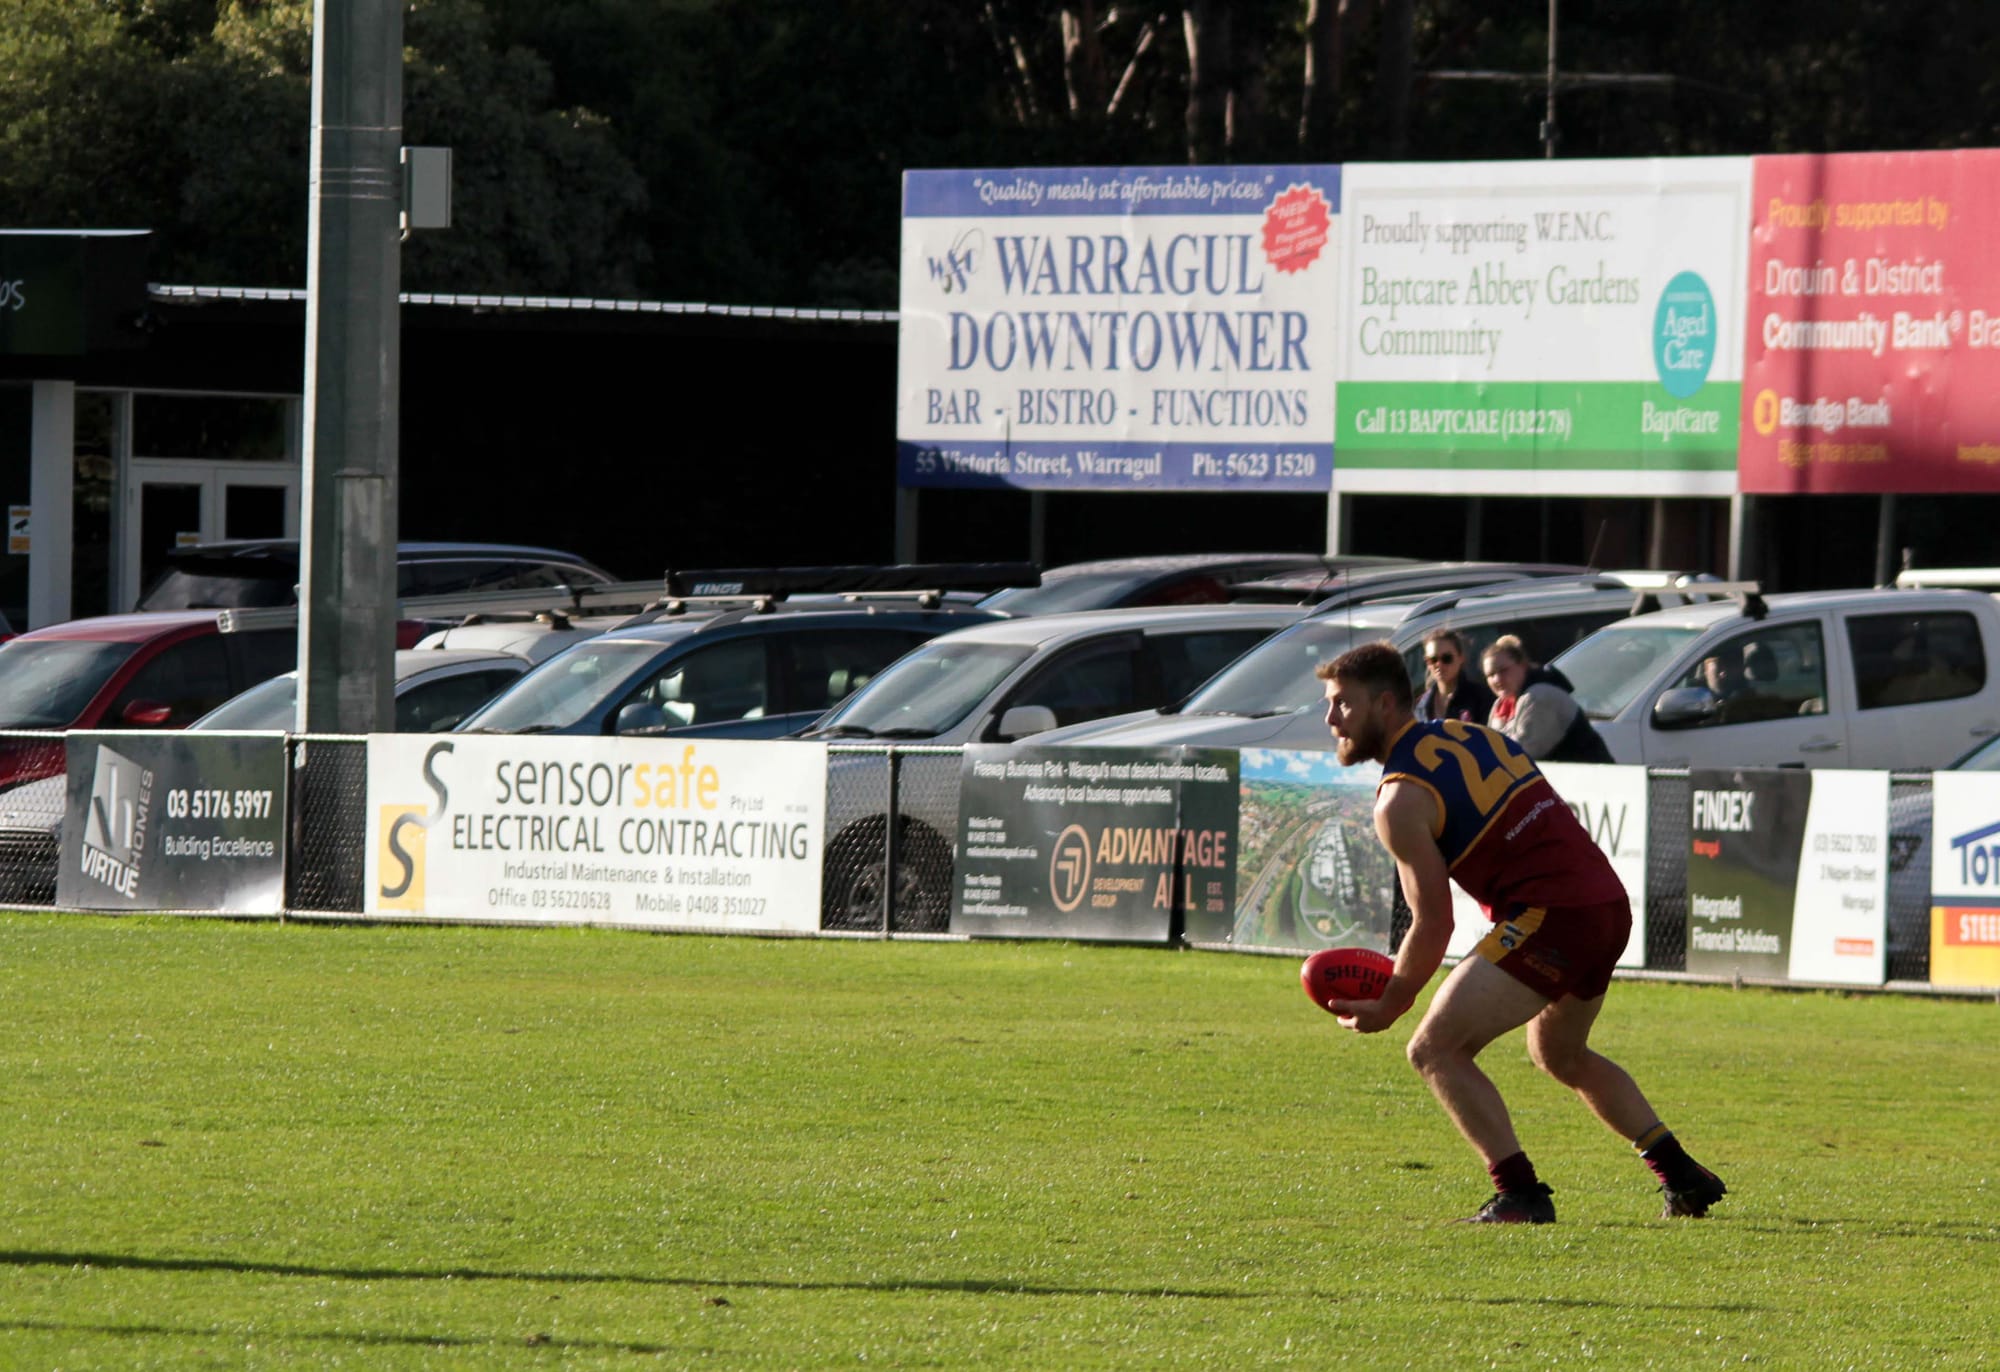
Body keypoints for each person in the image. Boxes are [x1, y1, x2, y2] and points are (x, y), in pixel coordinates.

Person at [1314, 641, 1726, 1224]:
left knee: (1434, 1050)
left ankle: (1520, 1195)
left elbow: (1433, 922)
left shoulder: (1400, 798)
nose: (1331, 719)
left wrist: (1393, 1000)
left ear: (1383, 703)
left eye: (1342, 703)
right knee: (1559, 1053)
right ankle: (1681, 1175)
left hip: (1553, 915)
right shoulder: (1471, 734)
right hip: (1605, 904)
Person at [1482, 635, 1612, 764]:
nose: (1497, 679)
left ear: (1522, 665)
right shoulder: (1501, 705)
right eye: (1490, 675)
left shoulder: (1540, 695)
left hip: (1588, 773)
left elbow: (1523, 754)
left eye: (1503, 670)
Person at [1414, 629, 1495, 726]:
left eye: (1446, 658)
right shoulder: (1421, 705)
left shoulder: (1481, 698)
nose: (1439, 664)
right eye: (1433, 660)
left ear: (1461, 658)